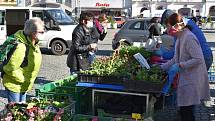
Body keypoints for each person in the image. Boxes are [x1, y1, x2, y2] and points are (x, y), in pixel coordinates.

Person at [161, 13, 210, 121]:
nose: (167, 30)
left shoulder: (189, 37)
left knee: (187, 112)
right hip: (187, 78)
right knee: (185, 110)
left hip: (193, 78)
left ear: (176, 26)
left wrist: (180, 65)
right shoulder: (180, 37)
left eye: (168, 26)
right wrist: (161, 67)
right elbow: (175, 58)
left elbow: (198, 59)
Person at [2, 17, 43, 103]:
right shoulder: (21, 47)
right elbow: (10, 68)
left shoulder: (34, 44)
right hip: (15, 85)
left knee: (22, 110)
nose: (43, 33)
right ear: (33, 33)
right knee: (15, 112)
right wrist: (23, 79)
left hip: (23, 85)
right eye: (41, 32)